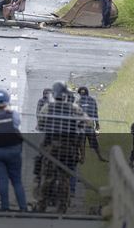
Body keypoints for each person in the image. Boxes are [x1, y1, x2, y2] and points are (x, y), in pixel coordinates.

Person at [37, 82, 87, 213]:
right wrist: (78, 126)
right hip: (68, 148)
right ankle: (62, 207)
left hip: (51, 147)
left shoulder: (48, 107)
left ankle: (42, 205)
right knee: (64, 177)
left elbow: (40, 124)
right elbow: (87, 121)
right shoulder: (73, 108)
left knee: (48, 177)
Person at [0, 89, 27, 212]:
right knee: (17, 180)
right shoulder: (13, 115)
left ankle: (5, 207)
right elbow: (17, 124)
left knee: (2, 180)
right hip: (13, 151)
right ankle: (23, 207)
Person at [76, 86, 106, 161]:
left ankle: (82, 158)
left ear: (80, 94)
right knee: (94, 143)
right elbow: (95, 113)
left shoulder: (78, 102)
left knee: (81, 142)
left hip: (81, 126)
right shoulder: (92, 100)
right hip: (90, 126)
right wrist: (97, 124)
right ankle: (100, 157)